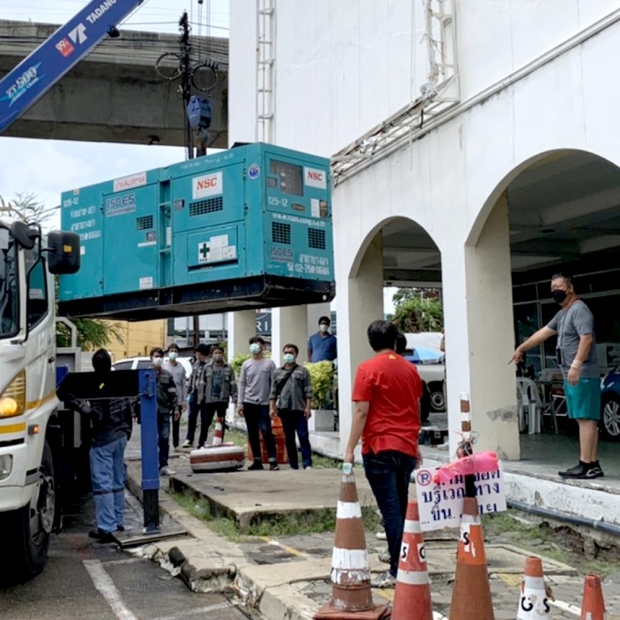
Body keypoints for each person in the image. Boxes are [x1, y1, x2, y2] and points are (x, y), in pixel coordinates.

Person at [344, 320, 423, 588]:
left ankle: (396, 570)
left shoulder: (367, 369)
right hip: (406, 449)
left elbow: (361, 411)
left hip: (379, 447)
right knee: (399, 508)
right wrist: (416, 444)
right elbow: (414, 407)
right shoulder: (411, 369)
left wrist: (348, 449)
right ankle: (398, 556)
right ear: (395, 340)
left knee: (390, 511)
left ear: (371, 341)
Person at [510, 273, 603, 480]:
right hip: (571, 373)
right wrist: (522, 348)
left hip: (582, 374)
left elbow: (586, 339)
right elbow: (544, 332)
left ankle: (586, 464)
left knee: (586, 419)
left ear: (569, 288)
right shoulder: (563, 314)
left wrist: (577, 364)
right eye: (552, 288)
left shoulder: (579, 310)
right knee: (585, 419)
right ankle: (592, 464)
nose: (555, 291)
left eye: (558, 287)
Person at [66, 349, 133, 542]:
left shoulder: (98, 384)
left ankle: (106, 526)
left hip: (104, 439)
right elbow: (128, 409)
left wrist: (76, 404)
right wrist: (126, 432)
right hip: (121, 435)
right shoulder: (121, 381)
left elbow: (97, 415)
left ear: (94, 366)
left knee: (102, 483)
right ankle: (118, 521)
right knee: (116, 480)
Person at [270, 343, 313, 470]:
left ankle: (307, 463)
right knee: (289, 437)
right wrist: (271, 408)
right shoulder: (277, 372)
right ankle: (293, 464)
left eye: (291, 352)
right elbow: (273, 392)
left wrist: (308, 407)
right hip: (284, 409)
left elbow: (308, 391)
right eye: (286, 352)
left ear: (296, 355)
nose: (288, 355)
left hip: (299, 409)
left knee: (303, 436)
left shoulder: (303, 371)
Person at [238, 336, 278, 471]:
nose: (255, 346)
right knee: (252, 433)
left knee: (266, 431)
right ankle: (257, 460)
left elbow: (274, 384)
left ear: (263, 347)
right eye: (252, 344)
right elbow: (242, 384)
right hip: (249, 403)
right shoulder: (246, 364)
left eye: (257, 344)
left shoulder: (269, 364)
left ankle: (273, 460)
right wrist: (240, 403)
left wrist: (273, 403)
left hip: (265, 403)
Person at [198, 344, 238, 448]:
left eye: (219, 353)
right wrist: (200, 398)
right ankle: (201, 443)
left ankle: (219, 441)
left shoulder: (228, 368)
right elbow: (202, 383)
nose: (218, 355)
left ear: (223, 354)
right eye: (215, 353)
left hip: (222, 399)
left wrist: (234, 397)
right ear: (212, 355)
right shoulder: (207, 368)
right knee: (206, 422)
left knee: (221, 421)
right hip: (209, 399)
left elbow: (233, 383)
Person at [151, 347, 180, 476]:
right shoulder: (146, 374)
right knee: (150, 439)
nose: (158, 358)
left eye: (160, 356)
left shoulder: (167, 375)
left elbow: (173, 394)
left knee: (164, 438)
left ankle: (163, 464)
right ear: (151, 357)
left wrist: (176, 408)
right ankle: (151, 465)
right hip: (149, 414)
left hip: (163, 411)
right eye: (156, 356)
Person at [183, 343, 210, 448]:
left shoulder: (209, 365)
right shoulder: (196, 363)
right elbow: (191, 378)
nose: (196, 354)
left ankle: (202, 441)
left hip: (205, 395)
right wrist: (189, 390)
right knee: (192, 417)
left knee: (205, 419)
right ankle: (189, 439)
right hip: (194, 393)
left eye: (197, 352)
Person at [163, 343, 188, 450]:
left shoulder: (180, 368)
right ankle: (164, 443)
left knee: (176, 422)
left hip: (177, 398)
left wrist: (184, 400)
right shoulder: (163, 366)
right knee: (164, 422)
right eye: (171, 350)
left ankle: (176, 444)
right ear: (168, 352)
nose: (173, 353)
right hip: (165, 399)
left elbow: (183, 385)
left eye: (175, 351)